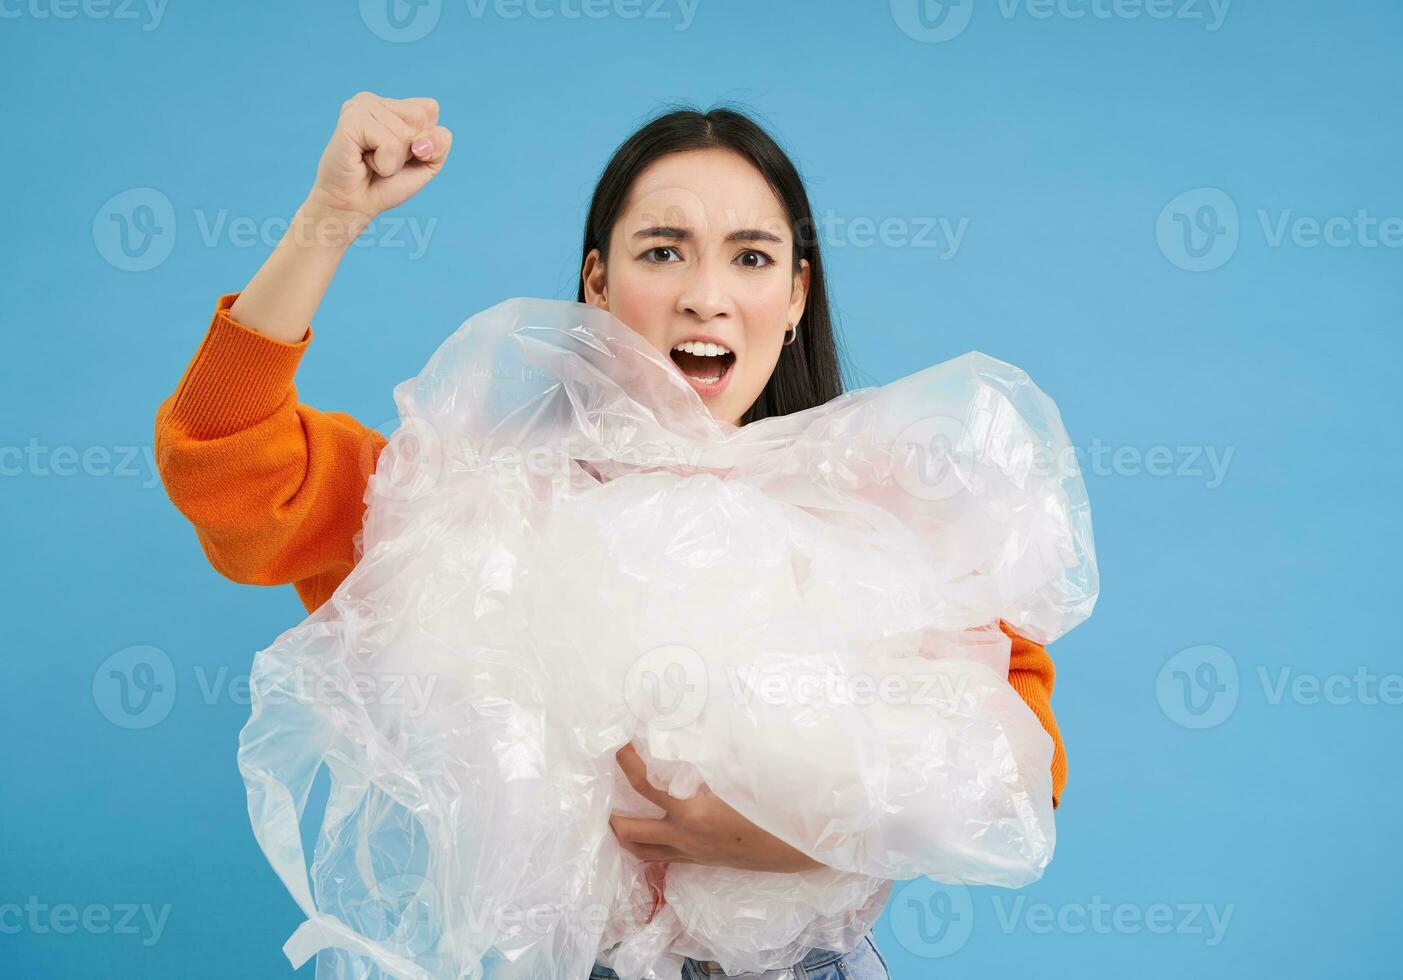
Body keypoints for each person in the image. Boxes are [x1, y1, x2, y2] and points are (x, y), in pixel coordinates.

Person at [153, 92, 1069, 980]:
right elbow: (228, 461)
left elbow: (1017, 755)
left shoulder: (876, 510)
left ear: (796, 297)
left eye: (751, 259)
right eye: (664, 251)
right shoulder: (478, 508)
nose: (706, 296)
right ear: (598, 283)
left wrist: (806, 836)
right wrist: (330, 217)